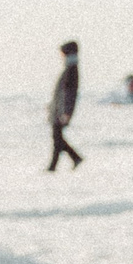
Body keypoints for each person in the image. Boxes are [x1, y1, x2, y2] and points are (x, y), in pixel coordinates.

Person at [51, 41, 85, 171]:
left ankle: (56, 165)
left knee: (57, 138)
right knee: (57, 138)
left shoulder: (71, 70)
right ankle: (74, 158)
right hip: (59, 109)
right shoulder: (70, 69)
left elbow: (69, 94)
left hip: (61, 111)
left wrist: (66, 111)